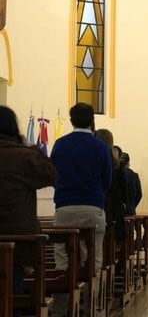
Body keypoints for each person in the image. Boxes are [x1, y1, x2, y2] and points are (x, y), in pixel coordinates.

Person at [51, 103, 112, 317]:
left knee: (63, 261)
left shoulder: (60, 144)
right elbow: (107, 179)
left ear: (71, 120)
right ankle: (89, 310)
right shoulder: (100, 147)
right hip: (92, 206)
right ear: (92, 121)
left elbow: (53, 175)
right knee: (93, 261)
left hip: (65, 207)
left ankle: (60, 310)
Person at [0, 105, 57, 294]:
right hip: (18, 238)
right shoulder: (25, 156)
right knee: (12, 290)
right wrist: (32, 148)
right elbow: (51, 174)